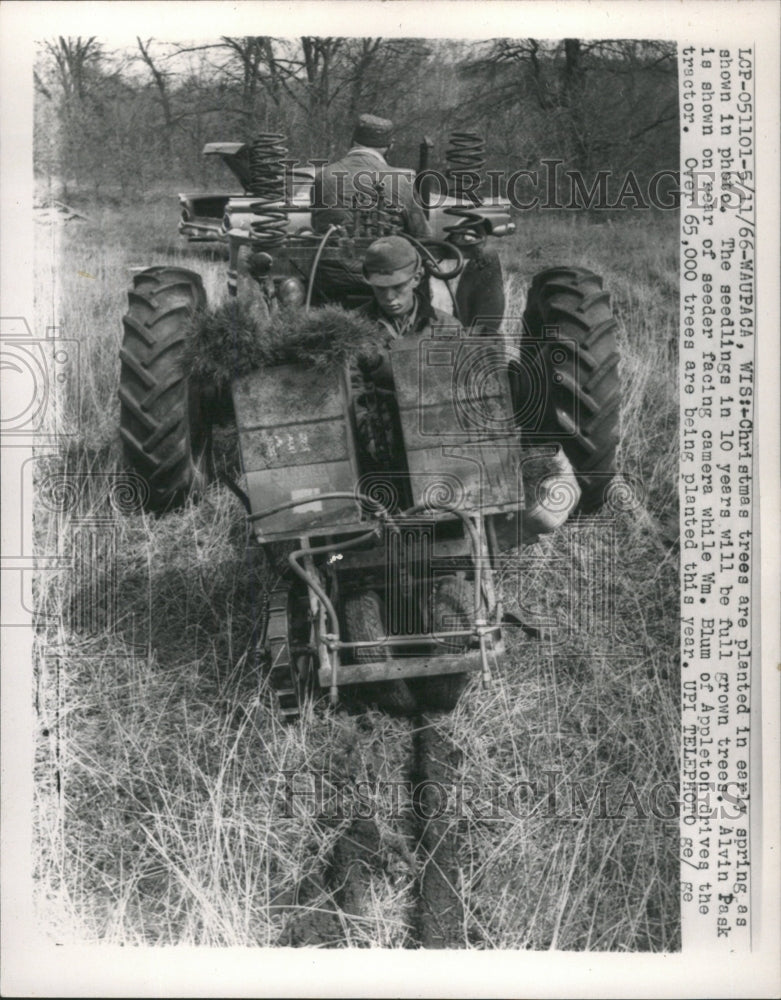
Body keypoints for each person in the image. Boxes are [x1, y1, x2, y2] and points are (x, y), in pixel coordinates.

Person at [310, 115, 431, 305]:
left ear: (353, 141)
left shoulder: (323, 177)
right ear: (390, 146)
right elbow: (422, 235)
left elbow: (318, 225)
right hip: (387, 281)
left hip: (332, 283)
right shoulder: (400, 181)